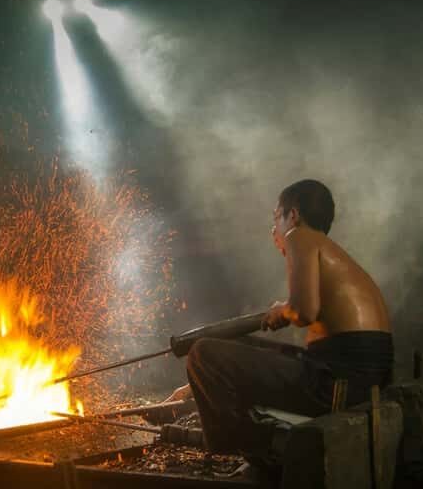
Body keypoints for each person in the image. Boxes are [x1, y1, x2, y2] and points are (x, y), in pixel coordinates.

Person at [166, 179, 393, 463]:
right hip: (357, 374)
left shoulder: (299, 236)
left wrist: (283, 310)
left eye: (276, 217)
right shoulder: (327, 249)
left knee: (202, 354)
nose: (274, 228)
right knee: (226, 345)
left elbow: (304, 311)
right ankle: (258, 441)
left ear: (293, 215)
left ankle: (255, 448)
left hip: (338, 380)